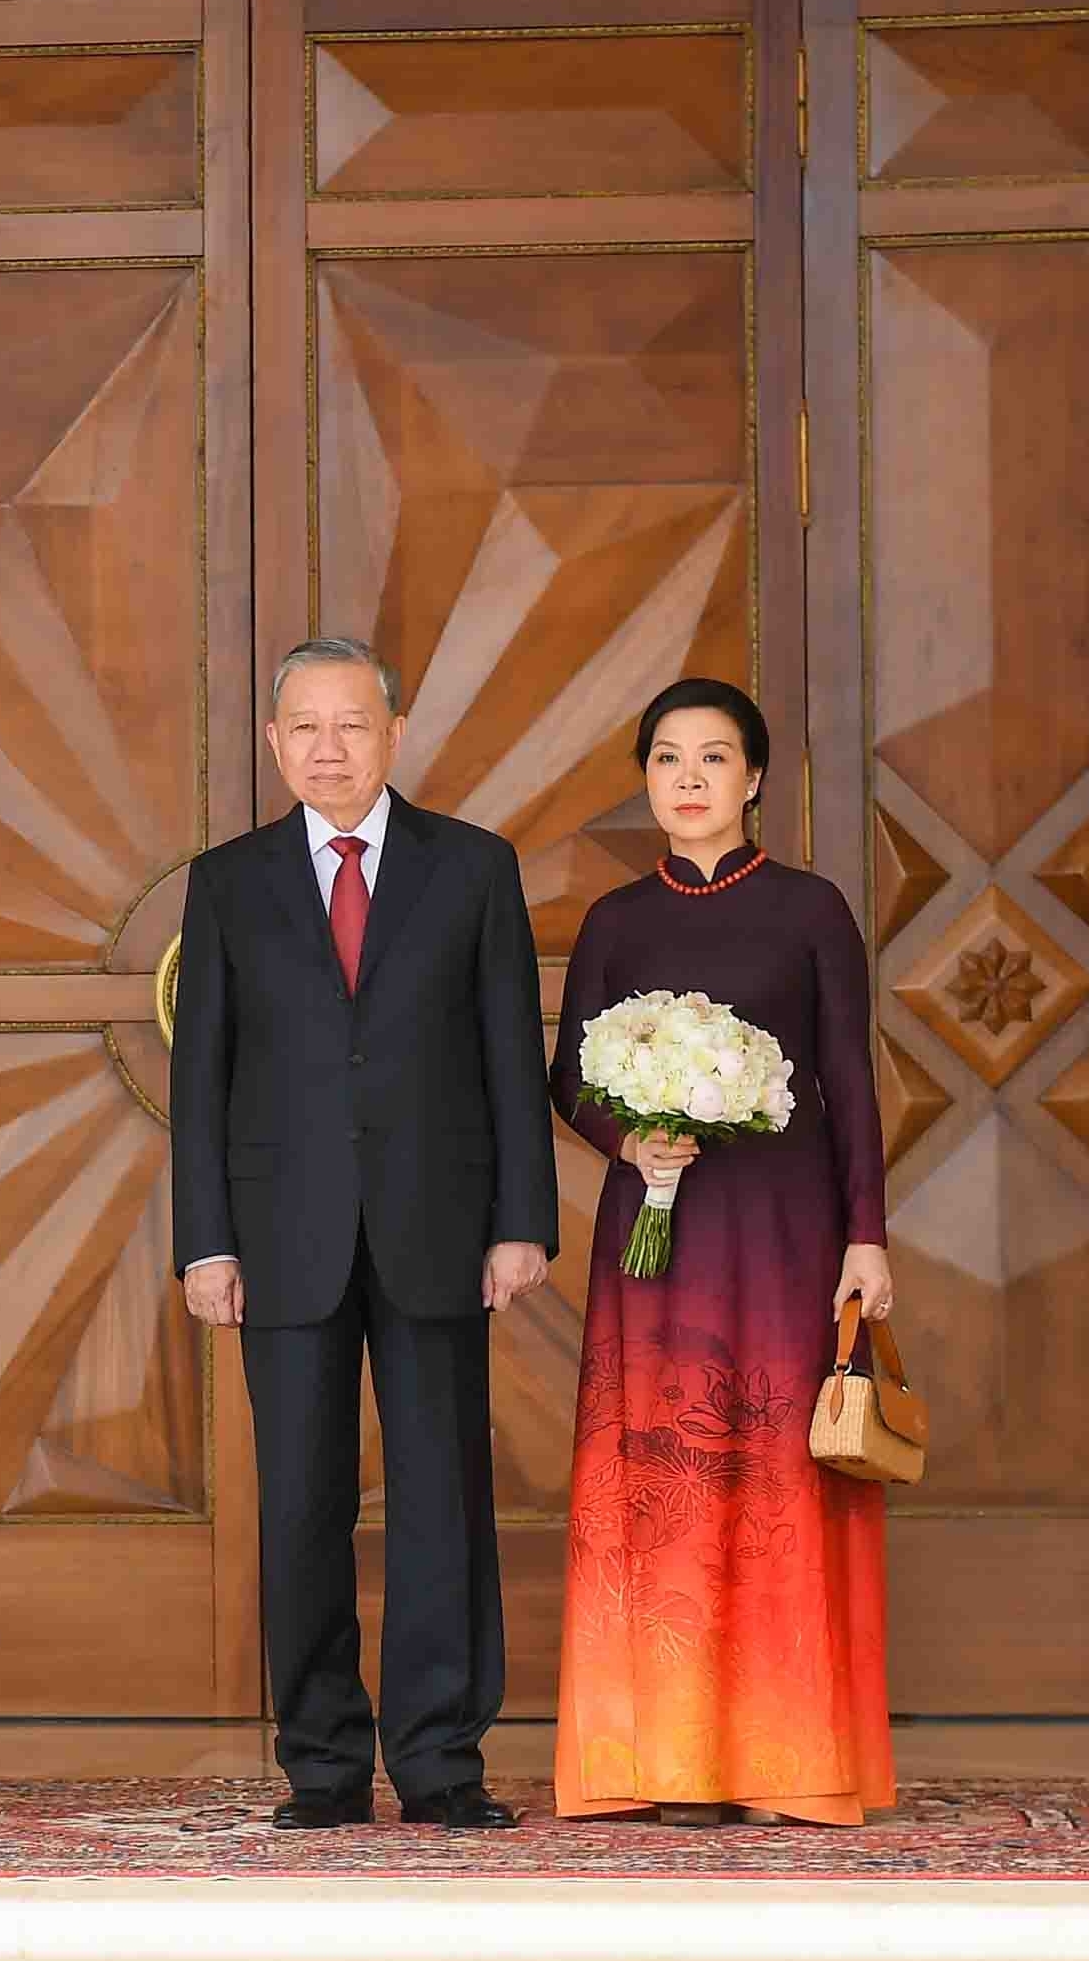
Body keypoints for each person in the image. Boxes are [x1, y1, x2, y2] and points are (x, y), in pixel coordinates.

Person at [168, 636, 556, 1831]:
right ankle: (324, 1764)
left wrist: (521, 1223)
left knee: (444, 1498)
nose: (328, 747)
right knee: (301, 1505)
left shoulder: (473, 868)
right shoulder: (228, 881)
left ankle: (443, 1761)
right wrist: (206, 1242)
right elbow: (205, 1081)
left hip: (440, 1229)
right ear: (275, 742)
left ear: (393, 734)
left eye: (352, 724)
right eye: (305, 727)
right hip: (282, 1240)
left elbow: (509, 1054)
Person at [548, 677, 895, 1827]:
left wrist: (867, 1235)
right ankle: (661, 1755)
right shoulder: (615, 919)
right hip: (657, 1232)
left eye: (712, 758)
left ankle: (784, 1754)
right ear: (646, 778)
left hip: (786, 1231)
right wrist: (630, 1132)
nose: (688, 779)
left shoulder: (809, 908)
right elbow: (568, 1079)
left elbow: (848, 1079)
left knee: (774, 1478)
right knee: (661, 1476)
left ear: (753, 779)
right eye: (666, 759)